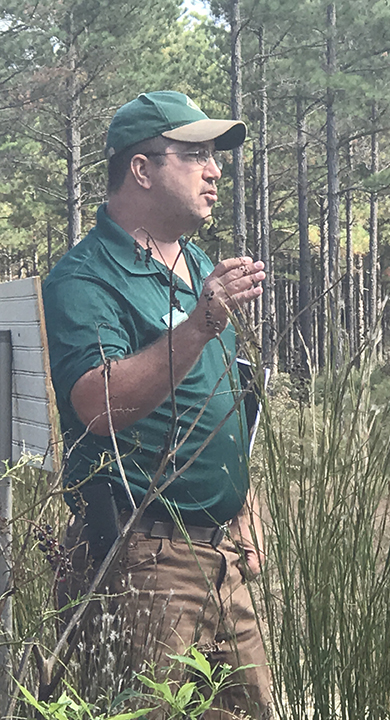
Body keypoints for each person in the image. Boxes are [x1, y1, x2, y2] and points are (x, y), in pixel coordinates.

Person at [43, 91, 271, 718]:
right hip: (143, 560)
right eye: (195, 155)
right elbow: (97, 404)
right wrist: (200, 324)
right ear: (141, 169)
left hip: (223, 559)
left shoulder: (196, 263)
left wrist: (245, 505)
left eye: (215, 156)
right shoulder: (86, 277)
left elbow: (222, 401)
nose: (215, 170)